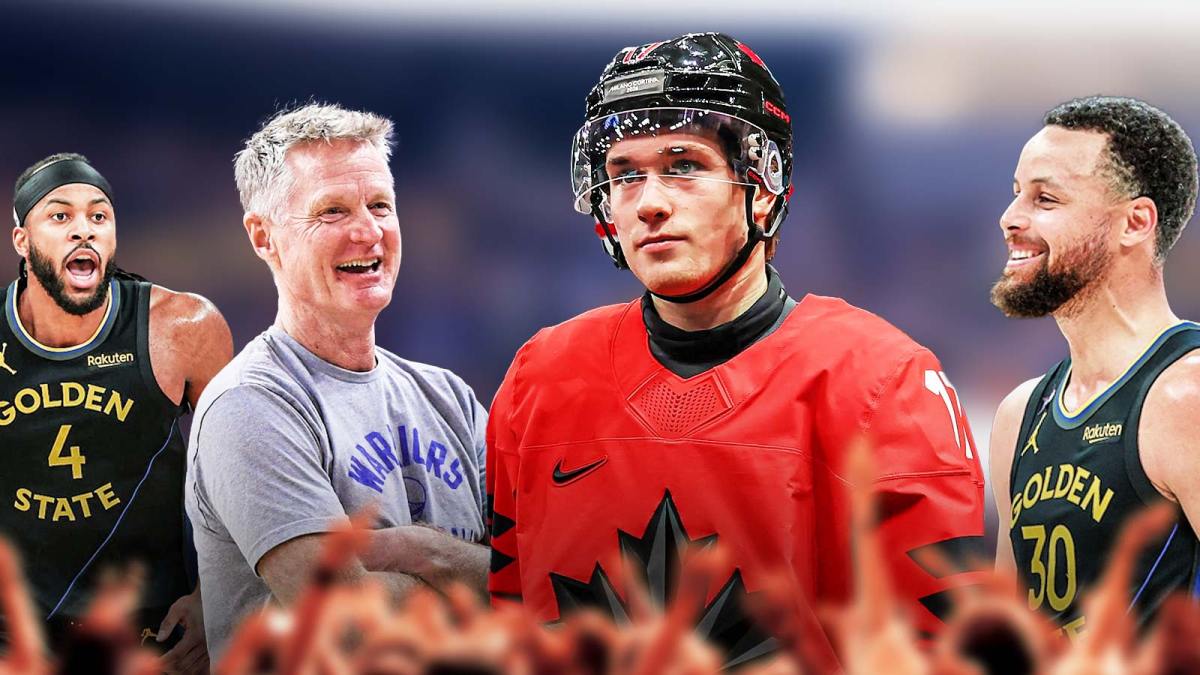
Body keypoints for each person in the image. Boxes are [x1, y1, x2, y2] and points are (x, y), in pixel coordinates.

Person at [486, 32, 986, 667]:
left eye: (684, 165)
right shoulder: (540, 377)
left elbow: (939, 653)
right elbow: (509, 619)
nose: (650, 204)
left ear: (763, 182)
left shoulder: (882, 382)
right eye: (624, 174)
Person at [185, 103, 491, 658]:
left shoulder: (451, 398)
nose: (368, 231)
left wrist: (420, 551)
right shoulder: (251, 405)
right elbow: (347, 626)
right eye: (332, 211)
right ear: (263, 237)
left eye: (380, 205)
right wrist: (476, 580)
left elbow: (545, 583)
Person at [1, 152, 232, 673]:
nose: (83, 229)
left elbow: (240, 479)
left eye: (98, 216)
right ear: (23, 241)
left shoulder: (183, 328)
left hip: (154, 629)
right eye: (60, 216)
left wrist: (210, 598)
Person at [990, 96, 1200, 637]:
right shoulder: (1020, 415)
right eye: (1017, 194)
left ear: (1135, 222)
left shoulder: (1186, 396)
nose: (1010, 219)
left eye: (1046, 198)